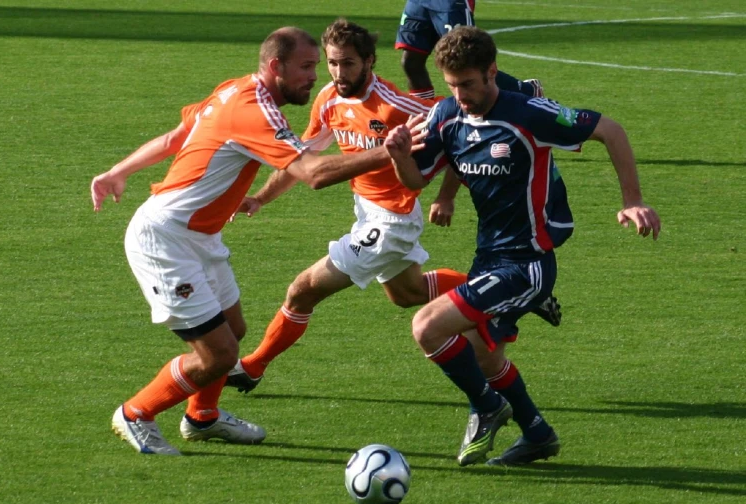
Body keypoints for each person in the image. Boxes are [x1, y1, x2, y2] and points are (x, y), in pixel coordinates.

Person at [90, 27, 399, 456]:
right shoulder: (255, 111)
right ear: (276, 66)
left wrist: (117, 171)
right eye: (307, 67)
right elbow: (312, 174)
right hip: (165, 240)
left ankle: (203, 417)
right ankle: (136, 413)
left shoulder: (232, 90)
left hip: (199, 237)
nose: (317, 76)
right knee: (217, 355)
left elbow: (173, 139)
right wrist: (391, 150)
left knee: (233, 331)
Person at [225, 19, 558, 394]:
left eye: (348, 63)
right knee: (408, 294)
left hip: (392, 222)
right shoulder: (328, 100)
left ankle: (253, 366)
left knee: (302, 291)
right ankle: (524, 294)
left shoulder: (396, 106)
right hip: (365, 213)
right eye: (332, 63)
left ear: (369, 62)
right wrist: (260, 197)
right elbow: (303, 161)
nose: (338, 72)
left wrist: (446, 195)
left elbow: (462, 133)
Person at [384, 26, 661, 466]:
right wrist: (398, 154)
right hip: (488, 256)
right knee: (483, 356)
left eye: (469, 84)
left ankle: (489, 407)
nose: (461, 95)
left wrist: (633, 201)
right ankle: (537, 433)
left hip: (528, 262)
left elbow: (610, 129)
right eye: (453, 85)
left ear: (492, 71)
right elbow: (416, 180)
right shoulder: (445, 116)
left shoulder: (528, 113)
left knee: (427, 327)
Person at [395, 0, 542, 100]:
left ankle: (527, 91)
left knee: (467, 59)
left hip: (449, 3)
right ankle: (423, 111)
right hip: (418, 2)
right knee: (410, 61)